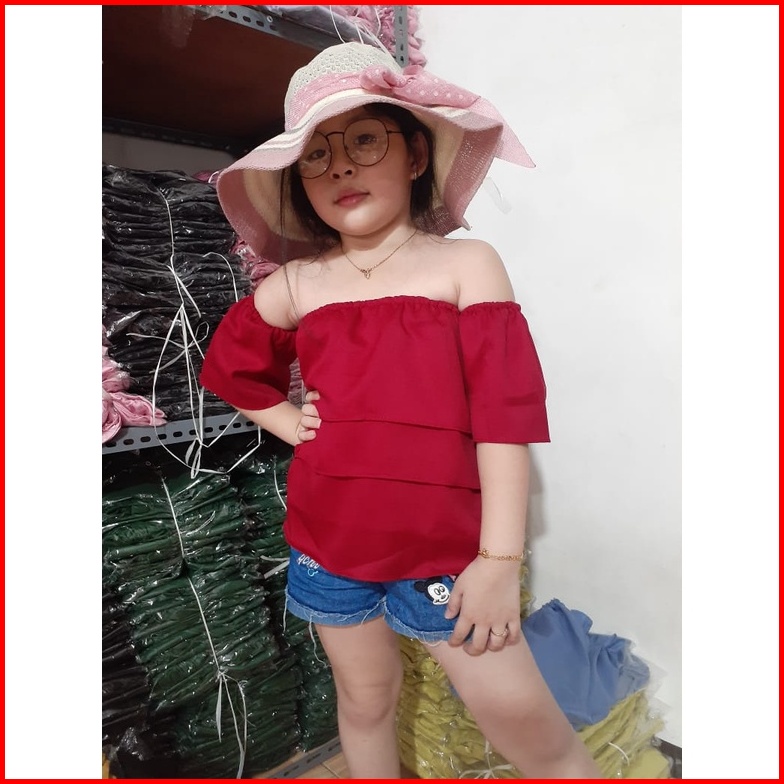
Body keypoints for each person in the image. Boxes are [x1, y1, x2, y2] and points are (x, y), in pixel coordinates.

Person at [200, 42, 601, 779]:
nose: (340, 168)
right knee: (364, 700)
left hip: (448, 556)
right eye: (316, 157)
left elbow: (504, 418)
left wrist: (498, 561)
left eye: (364, 141)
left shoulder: (467, 264)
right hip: (327, 550)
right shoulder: (297, 282)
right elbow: (230, 369)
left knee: (523, 720)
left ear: (415, 156)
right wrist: (288, 421)